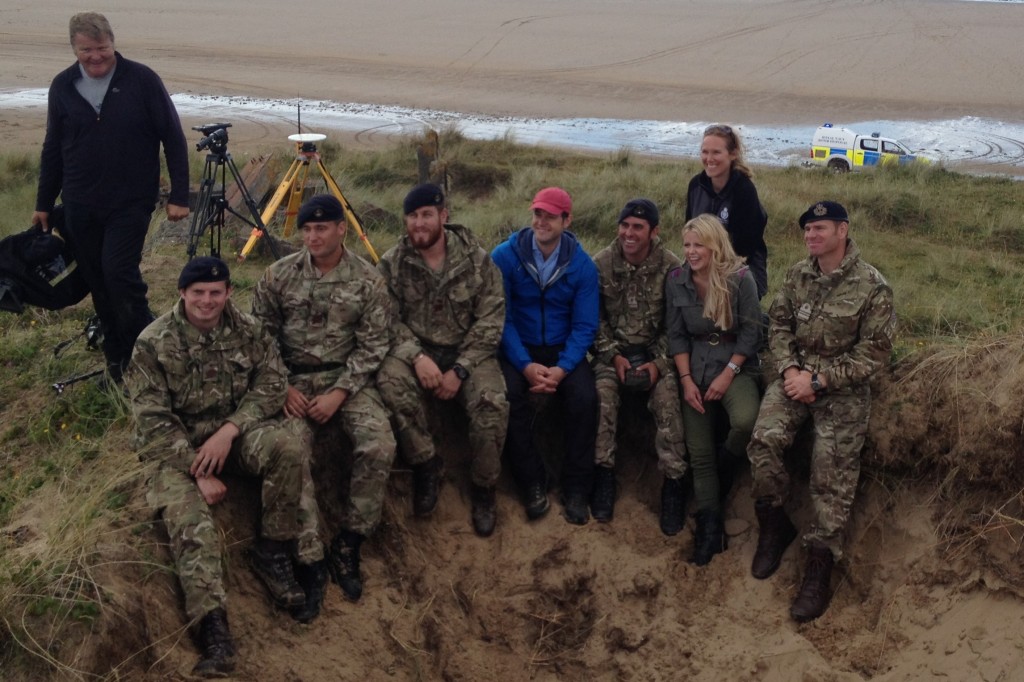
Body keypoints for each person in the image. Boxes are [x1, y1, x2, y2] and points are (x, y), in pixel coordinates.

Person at [126, 257, 325, 679]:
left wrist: (231, 429)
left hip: (231, 438)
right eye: (198, 292)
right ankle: (213, 629)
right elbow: (152, 421)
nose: (207, 301)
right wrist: (198, 469)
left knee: (287, 447)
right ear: (182, 293)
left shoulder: (248, 329)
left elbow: (272, 382)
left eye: (216, 292)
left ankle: (272, 551)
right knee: (192, 524)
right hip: (176, 453)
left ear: (229, 293)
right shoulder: (153, 342)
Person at [746, 201, 895, 622]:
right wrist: (792, 371)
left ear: (843, 231)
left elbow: (875, 353)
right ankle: (774, 524)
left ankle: (819, 565)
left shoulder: (872, 286)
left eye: (820, 228)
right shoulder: (797, 275)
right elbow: (778, 326)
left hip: (842, 389)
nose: (811, 236)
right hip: (793, 379)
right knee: (762, 443)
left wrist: (821, 380)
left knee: (830, 471)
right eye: (807, 230)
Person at [251, 195, 396, 604]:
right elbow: (260, 341)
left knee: (380, 444)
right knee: (293, 453)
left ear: (341, 229)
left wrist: (340, 392)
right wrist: (283, 388)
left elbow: (373, 344)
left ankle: (350, 541)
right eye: (307, 229)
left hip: (345, 380)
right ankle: (309, 558)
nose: (313, 236)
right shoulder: (277, 276)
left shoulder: (367, 280)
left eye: (322, 228)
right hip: (291, 382)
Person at [33, 12, 190, 382]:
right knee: (98, 283)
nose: (95, 56)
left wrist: (179, 195)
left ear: (113, 43)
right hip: (79, 204)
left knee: (119, 275)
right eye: (86, 50)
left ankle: (148, 355)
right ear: (74, 48)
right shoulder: (63, 86)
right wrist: (43, 203)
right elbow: (53, 147)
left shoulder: (142, 80)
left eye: (102, 48)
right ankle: (118, 363)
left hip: (130, 201)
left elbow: (173, 136)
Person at [376, 184, 509, 537]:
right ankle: (425, 465)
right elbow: (385, 319)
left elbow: (491, 319)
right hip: (416, 352)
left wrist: (461, 369)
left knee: (491, 404)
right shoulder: (393, 263)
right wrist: (416, 356)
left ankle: (484, 488)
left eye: (426, 215)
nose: (418, 223)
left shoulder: (478, 260)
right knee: (389, 382)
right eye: (412, 216)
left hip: (470, 352)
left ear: (443, 217)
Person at [492, 187, 600, 525]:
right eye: (538, 213)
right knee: (508, 397)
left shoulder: (582, 266)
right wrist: (524, 365)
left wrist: (562, 369)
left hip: (561, 348)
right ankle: (532, 482)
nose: (541, 221)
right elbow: (501, 316)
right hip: (517, 347)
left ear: (567, 220)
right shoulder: (505, 257)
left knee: (584, 399)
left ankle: (577, 488)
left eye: (550, 216)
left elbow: (584, 326)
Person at [666, 215, 762, 565]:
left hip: (735, 365)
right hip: (694, 368)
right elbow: (675, 334)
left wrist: (728, 373)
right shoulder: (677, 280)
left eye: (698, 245)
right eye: (687, 245)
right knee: (699, 452)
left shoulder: (740, 279)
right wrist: (686, 380)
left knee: (744, 423)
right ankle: (709, 525)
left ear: (715, 245)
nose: (691, 252)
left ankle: (729, 463)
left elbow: (752, 333)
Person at [590, 198, 689, 534]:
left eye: (638, 227)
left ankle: (674, 485)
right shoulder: (601, 264)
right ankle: (603, 476)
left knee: (668, 405)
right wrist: (611, 354)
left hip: (655, 355)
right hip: (613, 353)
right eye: (625, 225)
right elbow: (594, 320)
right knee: (602, 400)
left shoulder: (672, 268)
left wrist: (659, 364)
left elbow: (676, 326)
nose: (629, 234)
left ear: (654, 231)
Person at [685, 124, 769, 299]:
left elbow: (745, 247)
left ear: (733, 154)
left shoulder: (744, 190)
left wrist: (715, 274)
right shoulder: (695, 186)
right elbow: (689, 232)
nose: (709, 158)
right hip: (701, 261)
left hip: (741, 265)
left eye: (716, 152)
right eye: (704, 152)